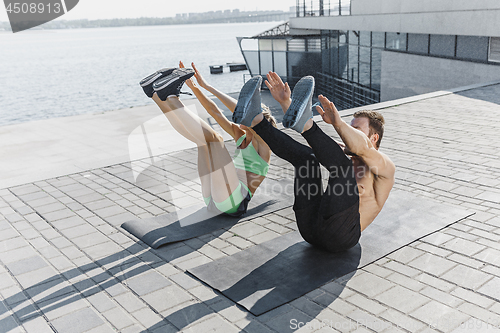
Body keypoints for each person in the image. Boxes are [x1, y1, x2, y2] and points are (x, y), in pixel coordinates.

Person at [232, 72, 395, 252]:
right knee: (307, 159)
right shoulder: (344, 154)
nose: (347, 130)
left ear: (374, 137)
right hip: (310, 228)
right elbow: (308, 134)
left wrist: (339, 123)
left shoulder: (384, 167)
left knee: (343, 168)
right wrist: (286, 102)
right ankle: (256, 120)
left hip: (342, 237)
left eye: (354, 128)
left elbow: (363, 148)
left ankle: (267, 120)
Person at [139, 63, 276, 217]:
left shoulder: (264, 143)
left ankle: (169, 95)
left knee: (216, 139)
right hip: (216, 196)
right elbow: (215, 112)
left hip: (234, 201)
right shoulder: (240, 134)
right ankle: (157, 95)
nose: (241, 114)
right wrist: (200, 87)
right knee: (202, 142)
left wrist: (207, 88)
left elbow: (244, 113)